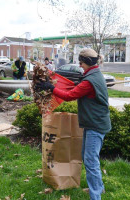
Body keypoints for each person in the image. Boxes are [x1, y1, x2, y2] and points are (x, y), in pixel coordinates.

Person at [36, 49, 111, 200]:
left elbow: (70, 96)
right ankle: (99, 188)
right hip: (94, 123)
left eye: (81, 63)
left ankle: (95, 196)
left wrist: (52, 88)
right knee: (88, 157)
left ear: (88, 63)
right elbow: (82, 88)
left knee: (90, 160)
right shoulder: (94, 74)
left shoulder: (90, 81)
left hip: (96, 125)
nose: (80, 65)